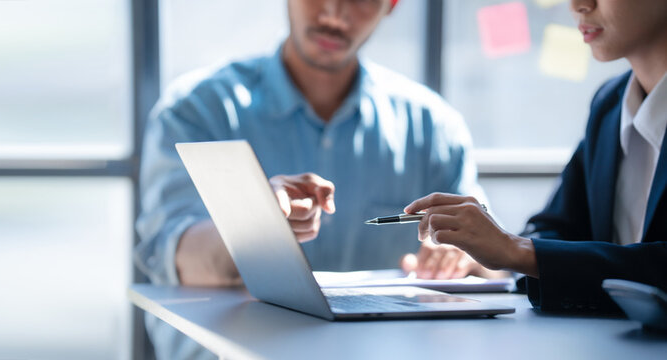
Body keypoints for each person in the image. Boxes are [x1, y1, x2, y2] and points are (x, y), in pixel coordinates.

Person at [134, 0, 504, 358]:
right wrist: (254, 220)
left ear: (391, 4)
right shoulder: (197, 110)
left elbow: (494, 266)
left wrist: (461, 253)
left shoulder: (432, 128)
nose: (334, 14)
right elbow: (174, 257)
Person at [403, 0, 667, 313]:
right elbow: (554, 229)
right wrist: (491, 257)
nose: (578, 5)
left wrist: (519, 252)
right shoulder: (610, 105)